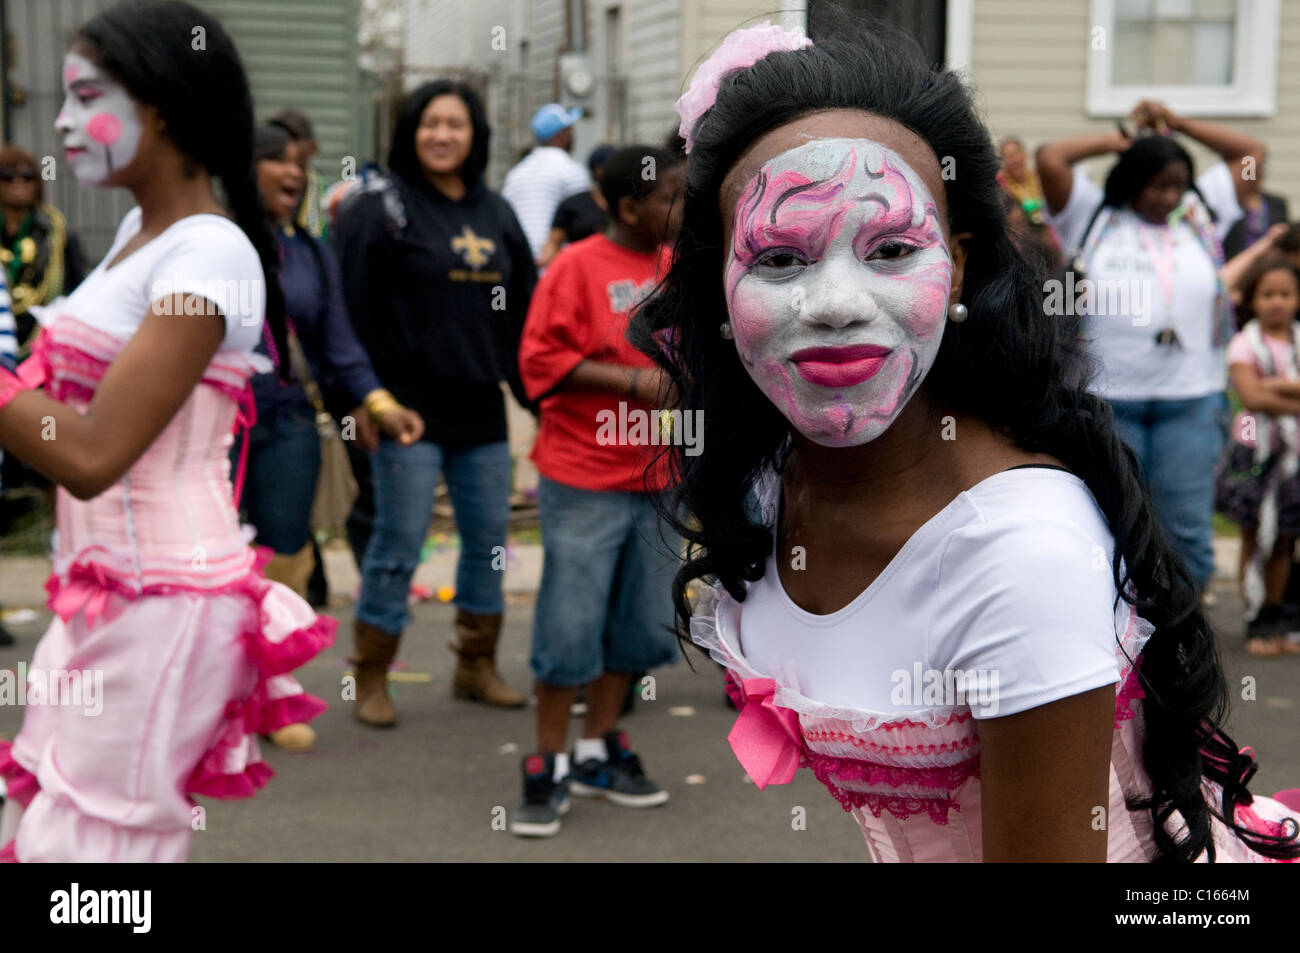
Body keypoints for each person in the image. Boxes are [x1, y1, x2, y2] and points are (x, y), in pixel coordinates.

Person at [630, 19, 1300, 862]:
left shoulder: (1019, 553)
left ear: (957, 262)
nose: (835, 304)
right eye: (781, 259)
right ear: (718, 286)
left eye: (891, 248)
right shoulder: (773, 480)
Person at [0, 0, 334, 862]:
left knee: (96, 853)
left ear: (163, 109)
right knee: (43, 821)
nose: (62, 122)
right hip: (98, 592)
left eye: (87, 97)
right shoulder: (135, 237)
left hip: (166, 602)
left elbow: (89, 452)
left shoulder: (209, 255)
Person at [333, 79, 536, 725]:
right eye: (430, 123)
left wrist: (536, 397)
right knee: (398, 544)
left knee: (488, 544)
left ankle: (476, 666)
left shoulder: (496, 212)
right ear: (410, 131)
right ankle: (371, 675)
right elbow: (346, 312)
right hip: (405, 410)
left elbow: (524, 312)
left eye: (455, 124)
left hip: (480, 407)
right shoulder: (379, 208)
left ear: (475, 135)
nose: (442, 135)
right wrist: (360, 400)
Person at [511, 145, 684, 837]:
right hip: (583, 475)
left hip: (660, 476)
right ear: (628, 207)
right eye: (671, 197)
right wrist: (632, 381)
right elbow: (538, 359)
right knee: (570, 624)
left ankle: (595, 748)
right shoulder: (575, 266)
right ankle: (547, 759)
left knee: (638, 623)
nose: (684, 208)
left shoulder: (681, 266)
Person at [1036, 103, 1267, 599]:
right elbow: (1051, 157)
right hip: (1107, 402)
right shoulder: (1091, 215)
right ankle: (1115, 627)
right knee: (1112, 524)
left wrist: (1179, 124)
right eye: (1156, 185)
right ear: (1131, 179)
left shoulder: (1200, 214)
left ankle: (1181, 629)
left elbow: (1251, 154)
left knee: (1186, 531)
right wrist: (1118, 141)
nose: (1169, 196)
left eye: (1177, 185)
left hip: (1190, 402)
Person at [242, 122, 423, 750]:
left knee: (284, 557)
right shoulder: (214, 240)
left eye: (300, 163)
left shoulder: (310, 253)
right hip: (213, 427)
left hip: (290, 422)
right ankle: (209, 697)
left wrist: (379, 404)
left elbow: (339, 344)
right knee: (209, 561)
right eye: (277, 160)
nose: (294, 173)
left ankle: (274, 693)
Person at [1215, 256, 1300, 657]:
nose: (1277, 302)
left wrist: (1274, 386)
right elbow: (1251, 397)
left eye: (1285, 293)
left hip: (1293, 458)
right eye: (1267, 294)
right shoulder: (1243, 343)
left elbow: (1263, 392)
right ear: (1251, 300)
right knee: (1255, 536)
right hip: (1255, 457)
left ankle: (1275, 615)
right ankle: (1254, 617)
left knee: (1284, 539)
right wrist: (1288, 388)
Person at [0, 144, 87, 508]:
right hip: (4, 346)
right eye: (7, 176)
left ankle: (57, 518)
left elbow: (76, 289)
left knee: (48, 441)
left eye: (27, 176)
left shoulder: (55, 231)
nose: (18, 183)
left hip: (40, 352)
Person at [501, 104, 590, 263]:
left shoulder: (515, 174)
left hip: (521, 264)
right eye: (569, 130)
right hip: (557, 266)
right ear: (560, 134)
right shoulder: (572, 171)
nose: (573, 136)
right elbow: (585, 222)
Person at [537, 143, 615, 268]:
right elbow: (553, 243)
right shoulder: (573, 205)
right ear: (597, 169)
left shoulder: (629, 206)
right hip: (583, 270)